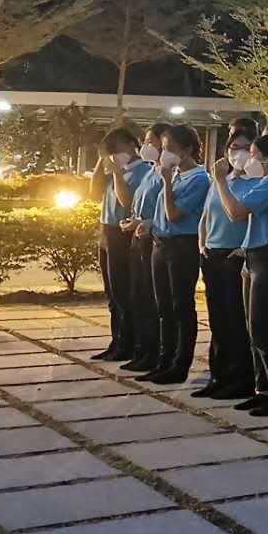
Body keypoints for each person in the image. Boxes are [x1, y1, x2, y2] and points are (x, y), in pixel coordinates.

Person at [213, 130, 268, 415]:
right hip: (255, 256)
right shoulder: (267, 180)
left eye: (252, 155)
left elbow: (236, 211)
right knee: (253, 327)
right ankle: (263, 389)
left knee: (265, 329)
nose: (246, 160)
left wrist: (220, 181)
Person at [195, 120, 257, 400]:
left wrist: (244, 248)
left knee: (235, 321)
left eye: (245, 148)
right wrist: (202, 243)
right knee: (218, 320)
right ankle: (218, 376)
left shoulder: (255, 182)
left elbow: (250, 217)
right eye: (234, 147)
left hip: (235, 254)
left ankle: (240, 378)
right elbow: (207, 214)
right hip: (213, 253)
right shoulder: (222, 179)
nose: (238, 154)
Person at [147, 125, 211, 385]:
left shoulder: (199, 179)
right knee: (163, 306)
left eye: (170, 148)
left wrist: (166, 181)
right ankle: (165, 359)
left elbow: (174, 214)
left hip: (182, 245)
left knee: (180, 305)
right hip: (161, 243)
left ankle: (180, 364)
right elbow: (161, 212)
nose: (165, 153)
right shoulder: (174, 175)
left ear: (187, 150)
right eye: (164, 148)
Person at [120, 121, 171, 374]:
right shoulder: (152, 170)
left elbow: (166, 210)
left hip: (155, 239)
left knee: (153, 301)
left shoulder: (167, 174)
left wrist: (149, 223)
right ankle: (142, 351)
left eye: (152, 141)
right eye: (147, 141)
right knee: (138, 296)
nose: (147, 145)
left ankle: (155, 353)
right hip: (139, 238)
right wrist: (133, 221)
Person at [91, 128, 145, 363]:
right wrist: (101, 163)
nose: (115, 155)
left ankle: (129, 343)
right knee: (112, 293)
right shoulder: (114, 171)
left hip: (123, 234)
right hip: (107, 232)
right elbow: (93, 194)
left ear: (134, 145)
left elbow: (129, 202)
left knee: (123, 291)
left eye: (118, 149)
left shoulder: (142, 171)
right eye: (110, 151)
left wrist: (115, 172)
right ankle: (117, 341)